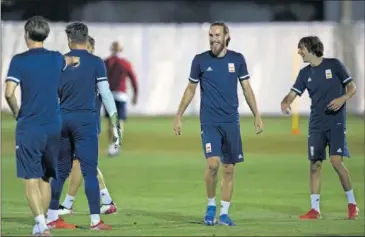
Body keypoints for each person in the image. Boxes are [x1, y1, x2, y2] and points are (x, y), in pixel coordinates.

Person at [173, 21, 264, 226]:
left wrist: (256, 114)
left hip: (231, 122)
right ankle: (211, 205)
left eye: (217, 35)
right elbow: (190, 90)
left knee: (229, 169)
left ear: (226, 36)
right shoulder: (200, 61)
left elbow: (247, 89)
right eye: (211, 36)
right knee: (213, 164)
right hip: (210, 122)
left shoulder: (237, 59)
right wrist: (179, 115)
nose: (213, 39)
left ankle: (224, 213)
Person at [4, 16, 79, 236]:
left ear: (26, 34)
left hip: (30, 125)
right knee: (47, 176)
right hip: (54, 125)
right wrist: (78, 60)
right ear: (45, 36)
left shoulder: (19, 60)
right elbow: (72, 60)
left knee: (31, 177)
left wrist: (17, 112)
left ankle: (41, 225)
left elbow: (9, 93)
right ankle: (43, 222)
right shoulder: (56, 58)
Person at [46, 22, 121, 231]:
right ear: (87, 39)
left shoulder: (60, 61)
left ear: (69, 40)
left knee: (61, 171)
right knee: (89, 171)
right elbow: (106, 95)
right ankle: (95, 220)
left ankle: (52, 217)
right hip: (85, 122)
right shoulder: (96, 62)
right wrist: (115, 124)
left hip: (62, 120)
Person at [280, 36, 359, 220]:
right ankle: (315, 210)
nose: (299, 52)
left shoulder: (335, 65)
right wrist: (285, 102)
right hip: (316, 124)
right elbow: (293, 94)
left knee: (336, 161)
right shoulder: (304, 73)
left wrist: (342, 99)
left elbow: (352, 88)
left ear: (309, 48)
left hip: (336, 122)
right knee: (315, 165)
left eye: (301, 48)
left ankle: (352, 204)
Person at [58, 36, 118, 216]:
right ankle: (106, 200)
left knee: (80, 162)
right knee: (84, 163)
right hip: (82, 122)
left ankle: (68, 204)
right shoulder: (88, 69)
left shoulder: (92, 69)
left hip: (86, 122)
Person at [104, 41, 138, 156]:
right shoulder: (125, 63)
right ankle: (116, 145)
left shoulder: (107, 62)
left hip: (109, 95)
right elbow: (133, 79)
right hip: (121, 95)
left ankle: (111, 145)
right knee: (121, 121)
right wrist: (135, 94)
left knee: (110, 121)